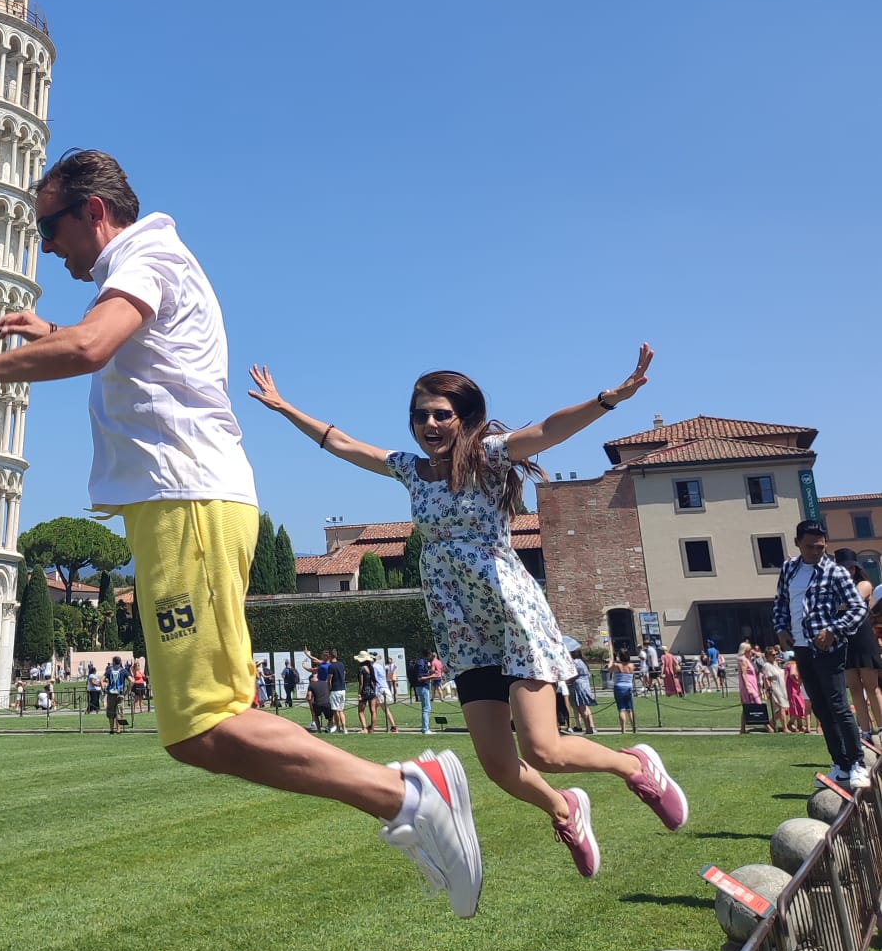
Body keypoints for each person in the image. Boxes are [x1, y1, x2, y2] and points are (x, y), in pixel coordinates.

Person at [0, 147, 484, 916]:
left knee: (208, 719)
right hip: (177, 507)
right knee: (194, 732)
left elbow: (92, 347)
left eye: (49, 226)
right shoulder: (141, 266)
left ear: (93, 212)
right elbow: (121, 347)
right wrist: (54, 327)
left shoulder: (146, 253)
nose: (45, 245)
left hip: (189, 504)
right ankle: (405, 796)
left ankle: (408, 793)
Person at [249, 345, 688, 881]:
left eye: (441, 414)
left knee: (544, 749)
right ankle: (565, 809)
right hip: (461, 627)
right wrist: (284, 406)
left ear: (465, 418)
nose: (429, 423)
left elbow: (549, 429)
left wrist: (607, 400)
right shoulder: (410, 471)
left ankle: (635, 766)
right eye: (421, 414)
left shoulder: (491, 456)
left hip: (511, 615)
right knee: (501, 767)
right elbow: (341, 443)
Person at [772, 517, 870, 789]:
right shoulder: (789, 569)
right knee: (821, 709)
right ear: (797, 544)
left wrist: (834, 630)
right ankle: (839, 764)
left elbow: (858, 608)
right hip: (801, 647)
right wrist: (781, 630)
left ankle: (857, 764)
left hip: (829, 648)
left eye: (820, 547)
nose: (816, 552)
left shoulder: (835, 572)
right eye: (810, 547)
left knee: (839, 706)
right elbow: (780, 602)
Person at [834, 549, 882, 742]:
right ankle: (865, 731)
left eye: (851, 567)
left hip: (862, 637)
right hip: (844, 638)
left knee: (872, 686)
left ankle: (880, 727)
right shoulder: (833, 586)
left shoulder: (864, 584)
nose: (849, 571)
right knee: (854, 688)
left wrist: (836, 604)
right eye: (844, 567)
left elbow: (852, 601)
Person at [567, 651, 597, 736]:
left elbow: (573, 674)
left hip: (578, 686)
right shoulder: (583, 662)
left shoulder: (575, 662)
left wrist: (568, 681)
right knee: (585, 707)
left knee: (581, 708)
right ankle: (591, 726)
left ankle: (588, 728)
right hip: (585, 685)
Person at [610, 648, 638, 735]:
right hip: (629, 687)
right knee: (630, 709)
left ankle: (623, 729)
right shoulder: (631, 665)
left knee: (621, 709)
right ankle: (634, 727)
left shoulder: (617, 665)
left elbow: (609, 670)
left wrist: (611, 661)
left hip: (619, 687)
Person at [412, 653, 434, 736]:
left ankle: (425, 727)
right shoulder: (421, 663)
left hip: (421, 686)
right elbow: (420, 678)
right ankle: (425, 729)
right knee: (426, 708)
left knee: (426, 708)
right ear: (428, 655)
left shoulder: (422, 662)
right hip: (422, 687)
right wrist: (432, 676)